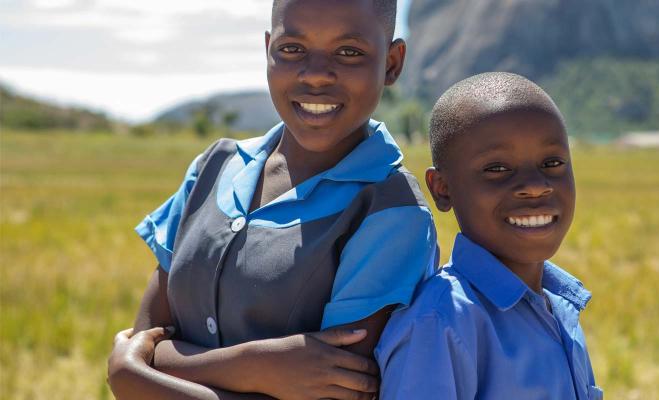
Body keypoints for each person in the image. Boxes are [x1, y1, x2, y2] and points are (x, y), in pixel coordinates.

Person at [107, 1, 438, 399]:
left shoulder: (392, 213)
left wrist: (139, 376)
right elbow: (145, 337)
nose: (315, 74)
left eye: (349, 51)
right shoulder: (214, 167)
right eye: (292, 48)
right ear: (268, 49)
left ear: (392, 63)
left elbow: (138, 362)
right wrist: (256, 367)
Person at [376, 72, 603, 400]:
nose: (536, 185)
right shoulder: (440, 325)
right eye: (497, 169)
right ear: (442, 189)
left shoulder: (559, 307)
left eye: (552, 162)